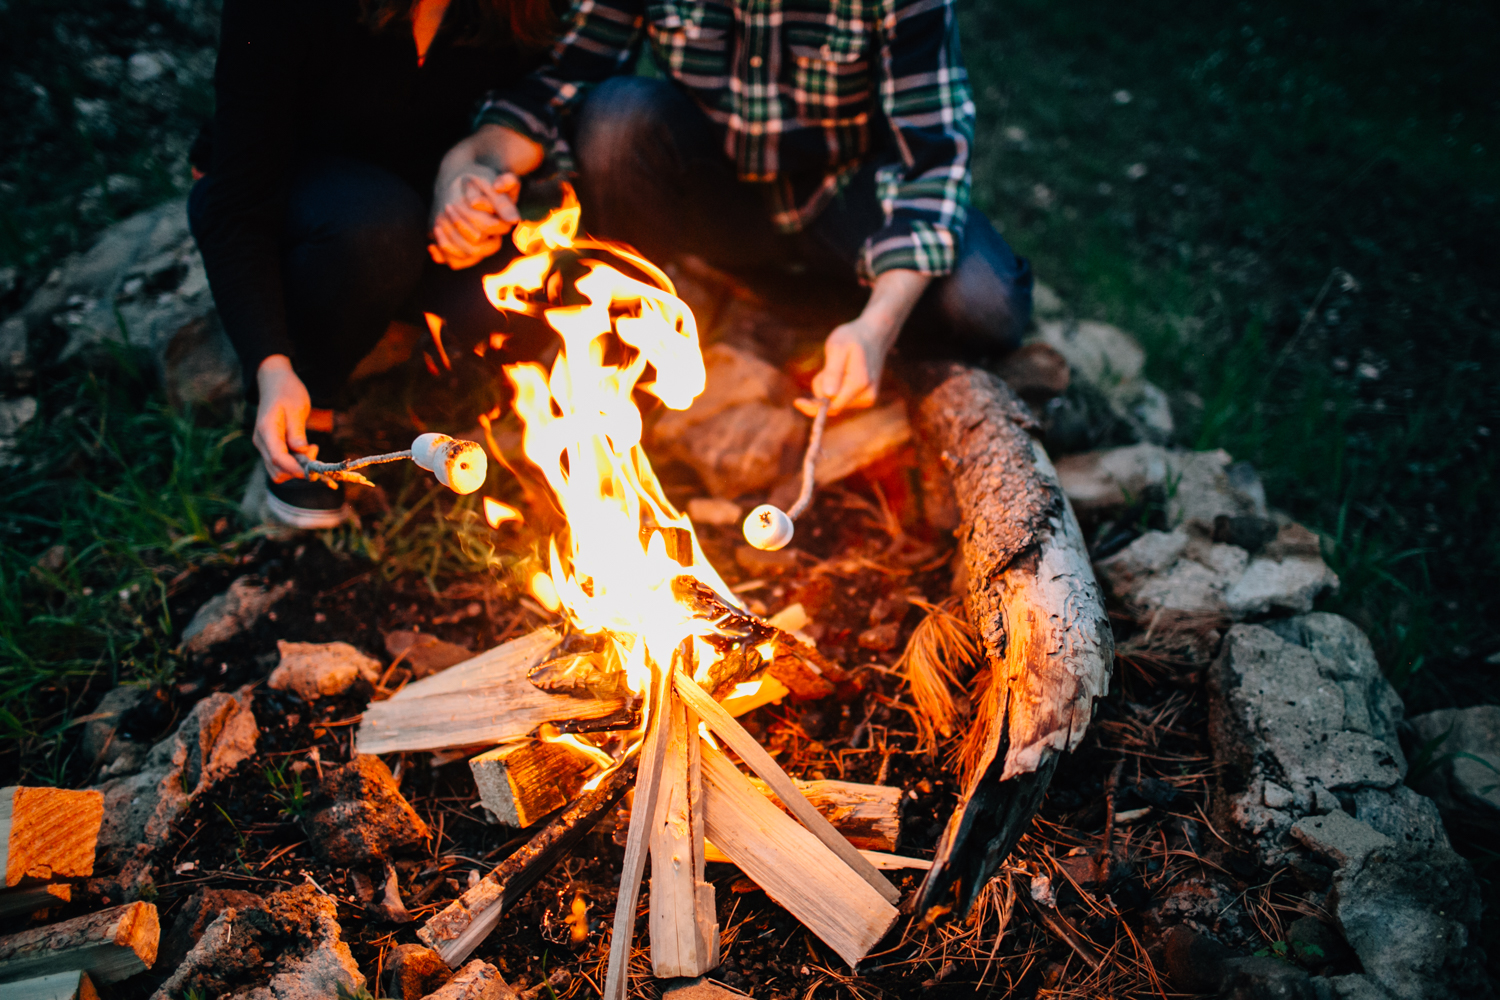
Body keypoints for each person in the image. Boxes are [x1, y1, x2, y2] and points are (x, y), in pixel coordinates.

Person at [426, 0, 1032, 421]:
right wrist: (470, 165)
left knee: (989, 303)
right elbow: (559, 84)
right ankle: (629, 367)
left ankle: (844, 318)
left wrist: (878, 324)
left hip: (849, 199)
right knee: (616, 118)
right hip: (716, 189)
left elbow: (932, 158)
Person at [189, 0, 556, 528]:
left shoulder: (508, 11)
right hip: (298, 196)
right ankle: (310, 406)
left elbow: (529, 104)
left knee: (529, 288)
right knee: (376, 230)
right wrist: (270, 364)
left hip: (421, 199)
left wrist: (473, 192)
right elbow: (235, 203)